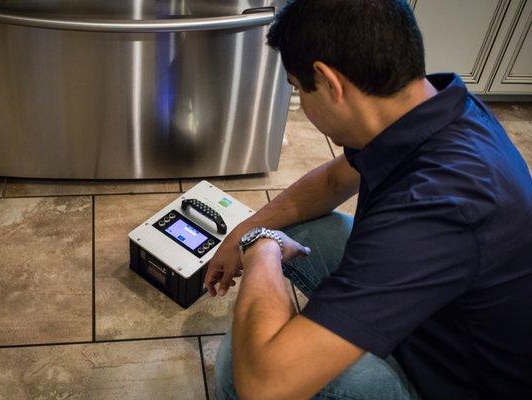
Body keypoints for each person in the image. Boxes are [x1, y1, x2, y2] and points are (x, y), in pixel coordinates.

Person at [203, 1, 532, 399]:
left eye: (297, 88)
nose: (303, 103)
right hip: (431, 319)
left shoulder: (442, 205)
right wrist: (244, 228)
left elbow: (265, 385)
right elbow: (331, 180)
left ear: (328, 82)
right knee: (303, 227)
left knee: (244, 369)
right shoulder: (438, 108)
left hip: (450, 380)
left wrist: (260, 249)